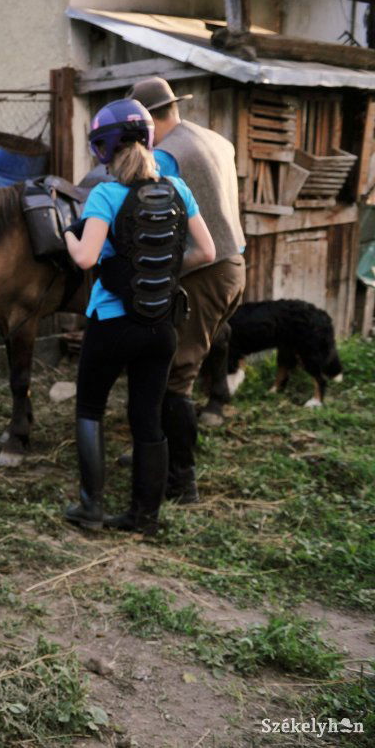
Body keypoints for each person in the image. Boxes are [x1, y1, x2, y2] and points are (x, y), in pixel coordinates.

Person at [62, 99, 216, 536]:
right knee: (147, 418)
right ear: (149, 140)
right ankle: (144, 518)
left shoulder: (105, 195)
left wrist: (69, 239)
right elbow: (206, 252)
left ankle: (91, 509)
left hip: (112, 324)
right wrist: (160, 274)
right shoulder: (178, 189)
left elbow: (87, 257)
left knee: (90, 408)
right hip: (161, 326)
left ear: (103, 149)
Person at [125, 77, 247, 502]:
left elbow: (154, 220)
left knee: (175, 376)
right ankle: (155, 449)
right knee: (171, 366)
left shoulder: (166, 156)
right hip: (232, 264)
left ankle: (182, 482)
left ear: (147, 120)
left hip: (205, 271)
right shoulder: (213, 139)